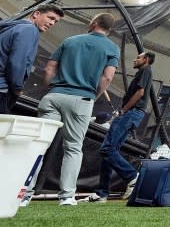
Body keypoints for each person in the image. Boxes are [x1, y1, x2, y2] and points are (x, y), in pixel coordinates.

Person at [25, 13, 120, 207]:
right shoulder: (112, 48)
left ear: (93, 22)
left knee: (39, 146)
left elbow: (49, 69)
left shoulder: (70, 40)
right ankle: (67, 197)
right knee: (73, 148)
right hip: (82, 99)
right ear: (109, 29)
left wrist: (50, 88)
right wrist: (94, 96)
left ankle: (24, 194)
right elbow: (108, 78)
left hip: (54, 96)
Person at [82, 51, 155, 203]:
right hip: (131, 114)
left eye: (138, 57)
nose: (135, 59)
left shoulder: (145, 70)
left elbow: (140, 93)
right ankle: (102, 193)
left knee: (107, 149)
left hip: (131, 113)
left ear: (146, 60)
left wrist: (123, 110)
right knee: (110, 152)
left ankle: (133, 177)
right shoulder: (143, 72)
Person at [0, 3, 64, 113]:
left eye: (55, 21)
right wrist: (17, 88)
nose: (52, 23)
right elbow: (17, 63)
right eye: (50, 18)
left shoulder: (11, 28)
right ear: (36, 14)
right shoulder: (30, 30)